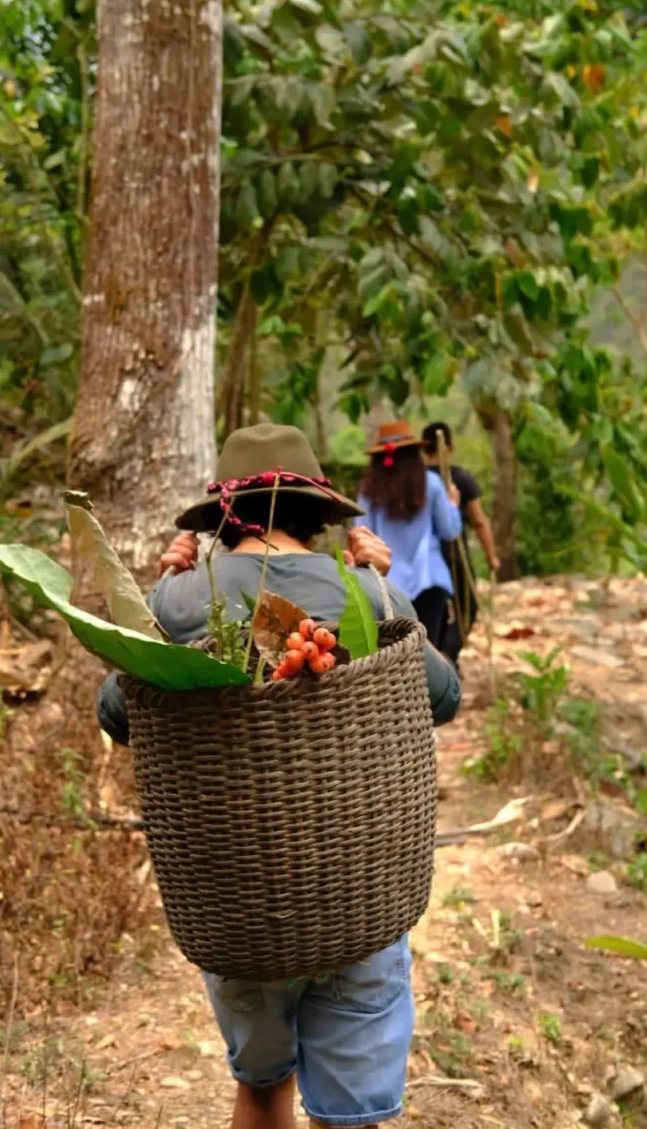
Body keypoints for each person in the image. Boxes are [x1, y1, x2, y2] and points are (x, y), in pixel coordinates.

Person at [96, 423, 461, 1129]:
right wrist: (380, 590)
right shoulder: (362, 592)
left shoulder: (176, 602)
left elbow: (118, 712)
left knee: (263, 1091)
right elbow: (442, 698)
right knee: (349, 1120)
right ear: (317, 516)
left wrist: (160, 598)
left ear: (221, 522)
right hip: (362, 892)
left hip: (237, 905)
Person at [356, 421, 462, 653]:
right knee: (429, 651)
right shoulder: (431, 485)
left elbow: (362, 535)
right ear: (414, 454)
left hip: (387, 585)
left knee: (396, 654)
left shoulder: (369, 491)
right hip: (430, 581)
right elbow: (449, 531)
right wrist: (453, 505)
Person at [421, 421, 500, 665]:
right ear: (451, 447)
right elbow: (479, 521)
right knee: (466, 608)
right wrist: (492, 556)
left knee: (436, 612)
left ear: (424, 449)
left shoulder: (416, 481)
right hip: (454, 553)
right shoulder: (460, 479)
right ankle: (446, 657)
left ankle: (441, 660)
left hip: (426, 561)